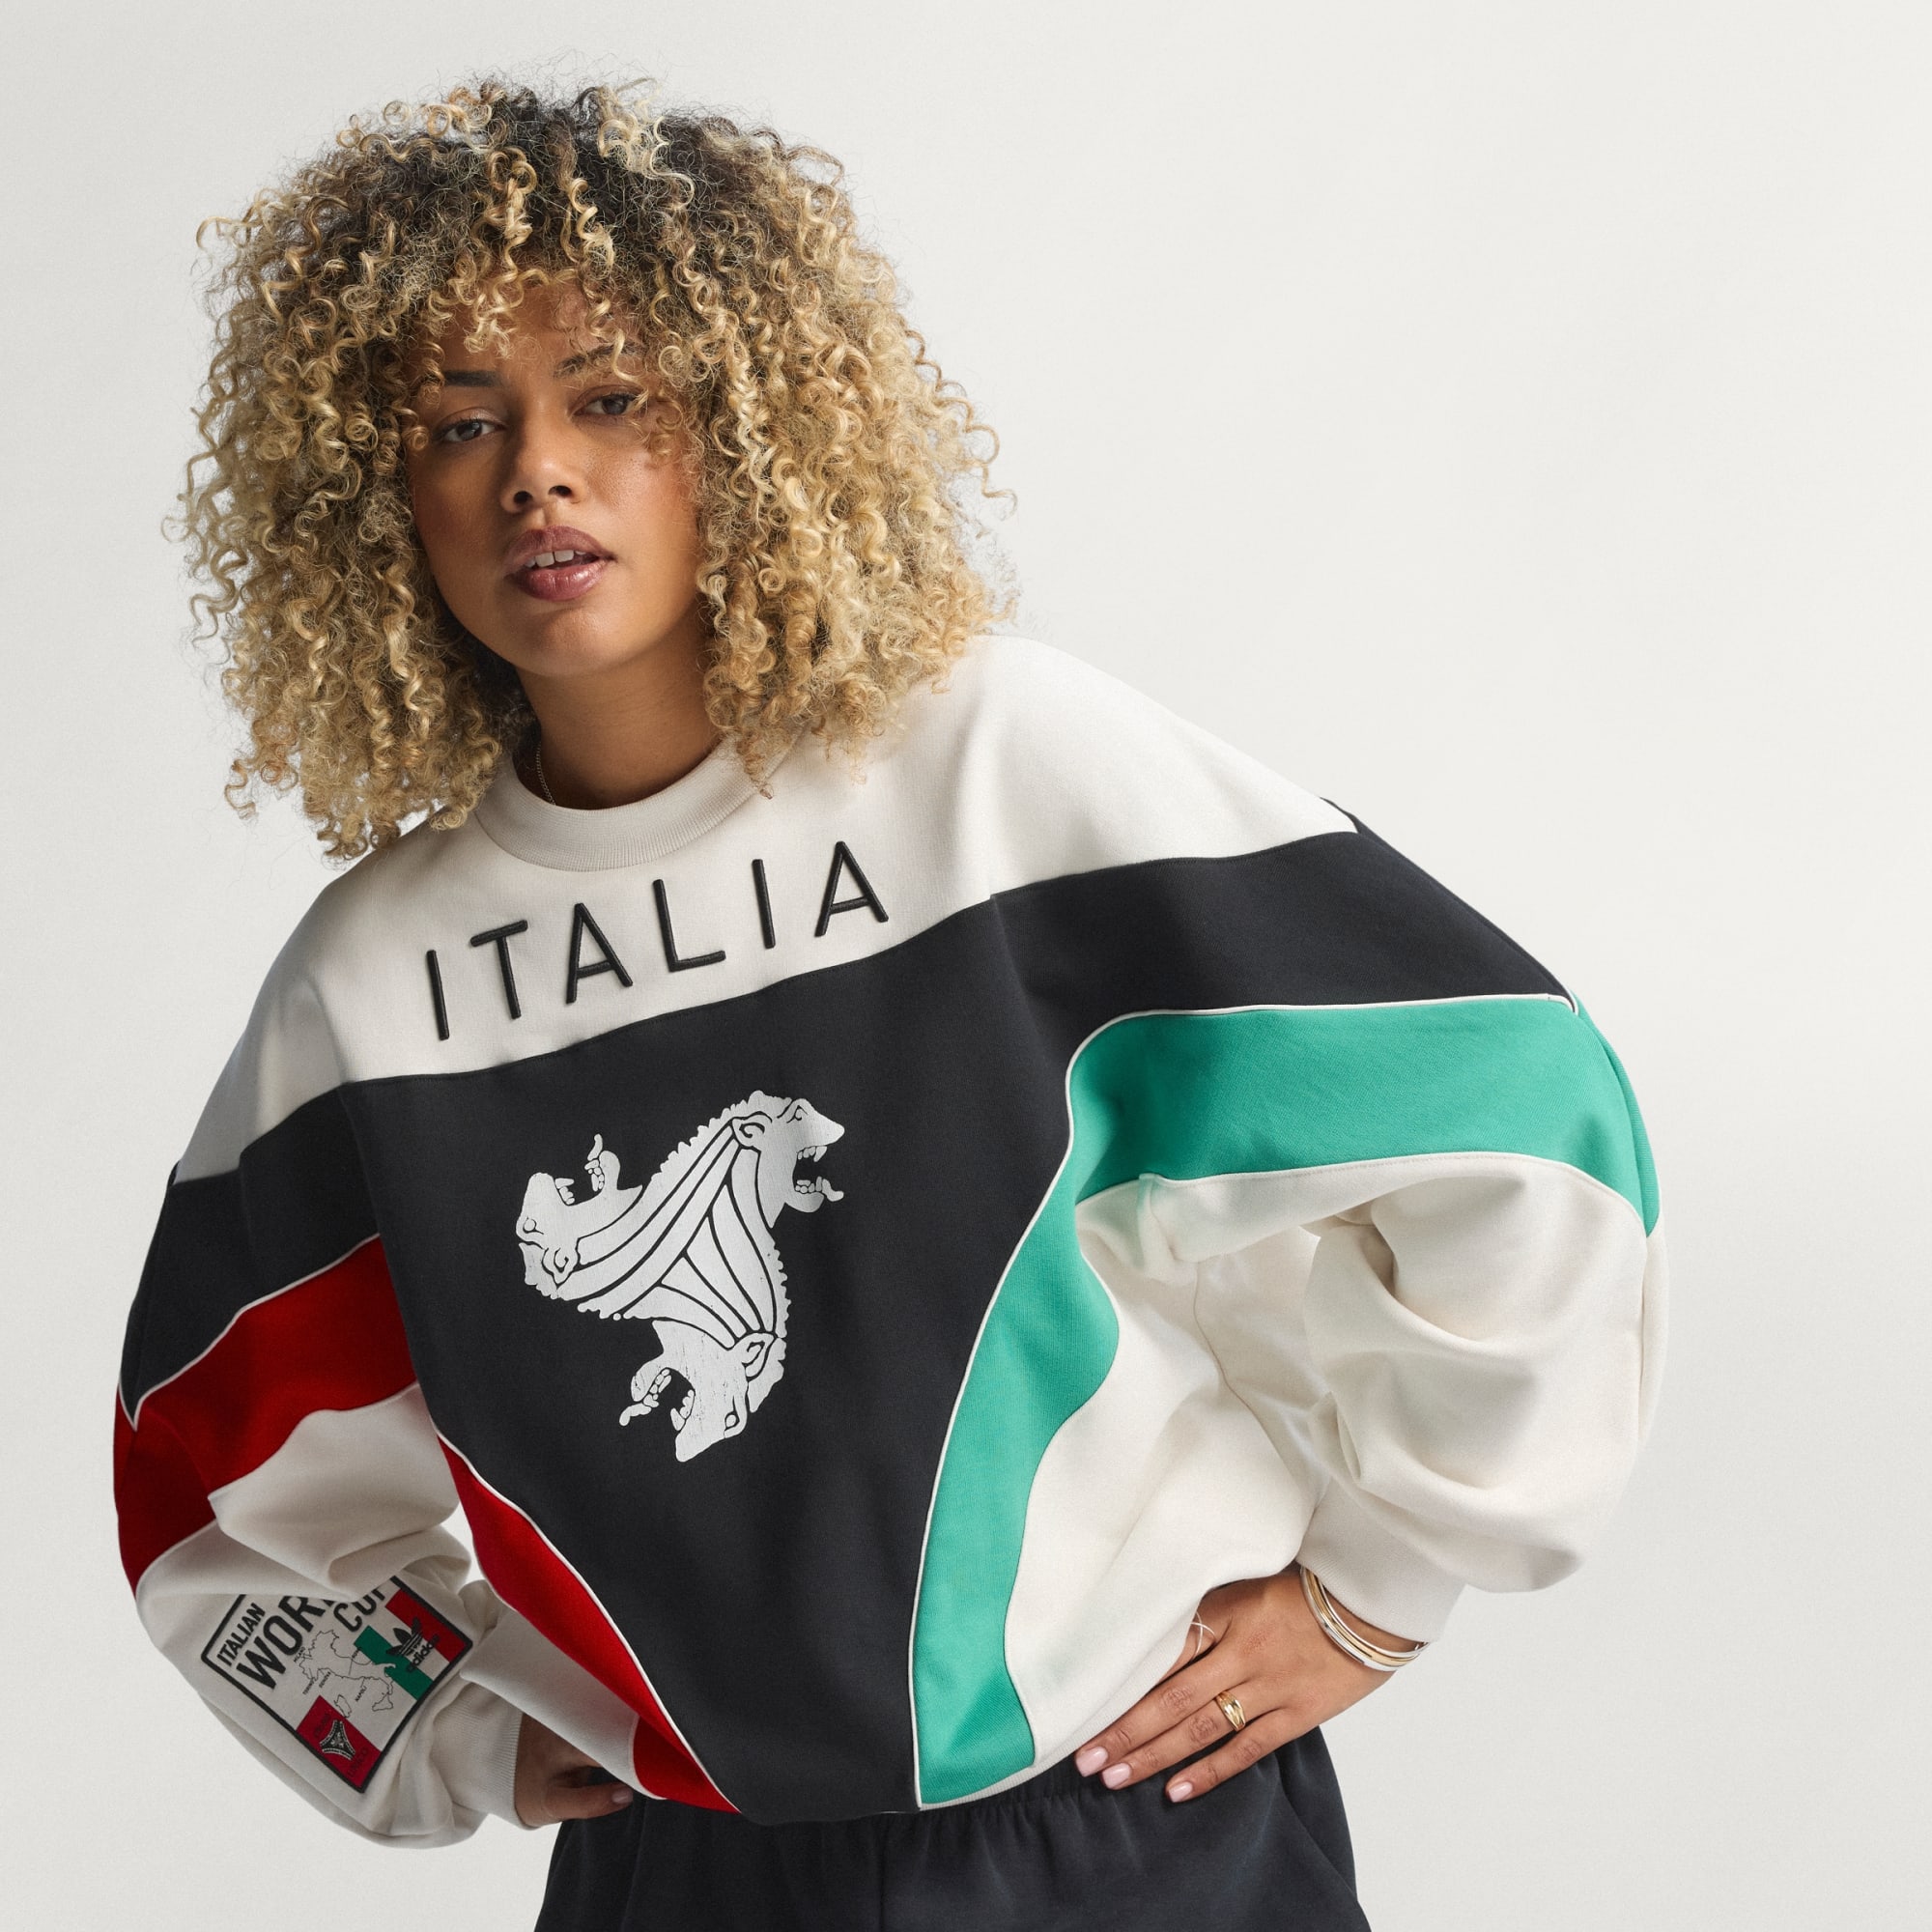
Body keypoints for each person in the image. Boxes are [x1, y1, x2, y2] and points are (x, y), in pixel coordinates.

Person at [113, 78, 1666, 1932]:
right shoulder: (376, 985)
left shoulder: (1003, 775)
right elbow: (207, 1481)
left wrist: (1384, 1581)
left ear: (746, 424)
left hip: (1130, 1828)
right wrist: (448, 1726)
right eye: (462, 424)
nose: (537, 472)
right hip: (685, 1880)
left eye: (612, 398)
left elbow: (1522, 1113)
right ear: (384, 500)